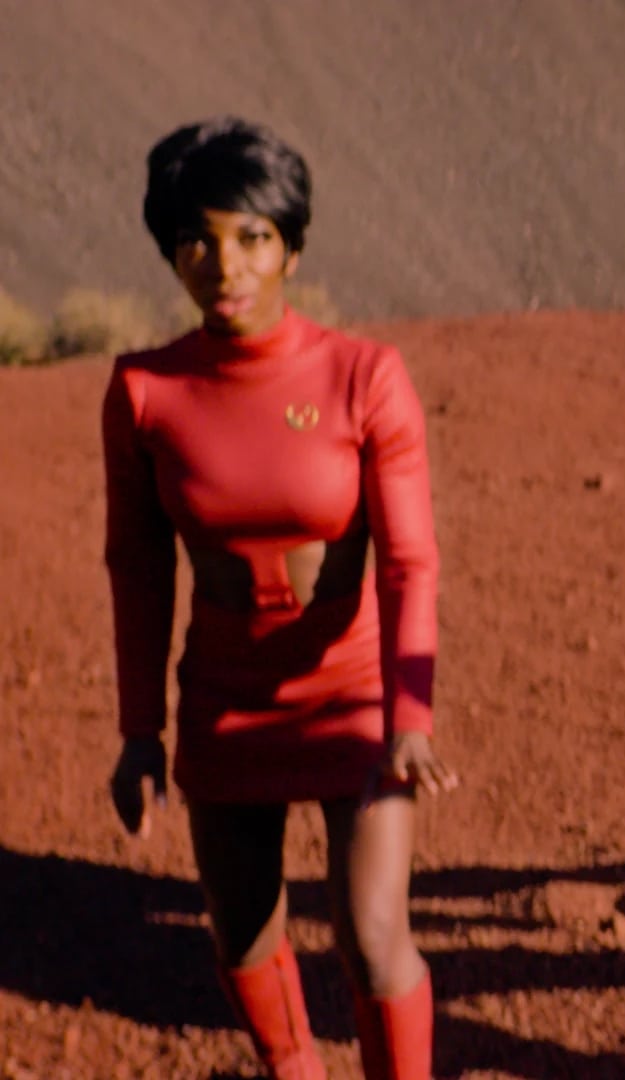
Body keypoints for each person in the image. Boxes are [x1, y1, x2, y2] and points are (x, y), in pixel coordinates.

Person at [104, 117, 454, 1080]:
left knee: (374, 938)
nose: (226, 265)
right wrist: (140, 732)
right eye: (197, 240)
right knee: (243, 933)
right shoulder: (144, 391)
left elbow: (409, 560)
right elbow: (137, 568)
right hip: (225, 695)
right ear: (172, 252)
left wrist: (410, 719)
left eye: (253, 237)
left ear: (292, 248)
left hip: (353, 692)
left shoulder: (363, 376)